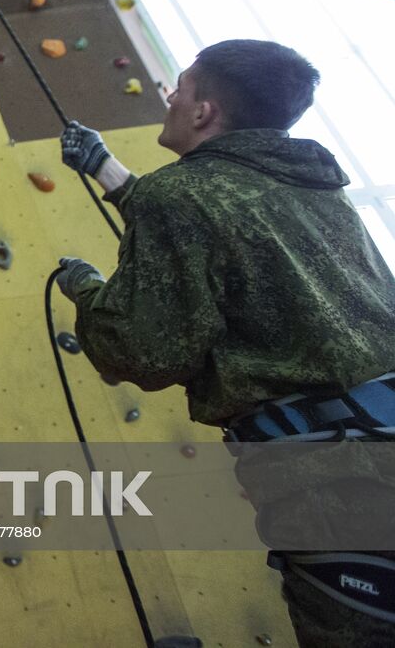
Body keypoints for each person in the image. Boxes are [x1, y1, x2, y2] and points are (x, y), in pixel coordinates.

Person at [54, 39, 395, 647]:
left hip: (341, 485)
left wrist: (86, 291)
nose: (170, 95)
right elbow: (231, 235)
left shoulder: (178, 198)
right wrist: (108, 171)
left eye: (180, 87)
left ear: (204, 111)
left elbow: (142, 352)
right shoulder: (314, 187)